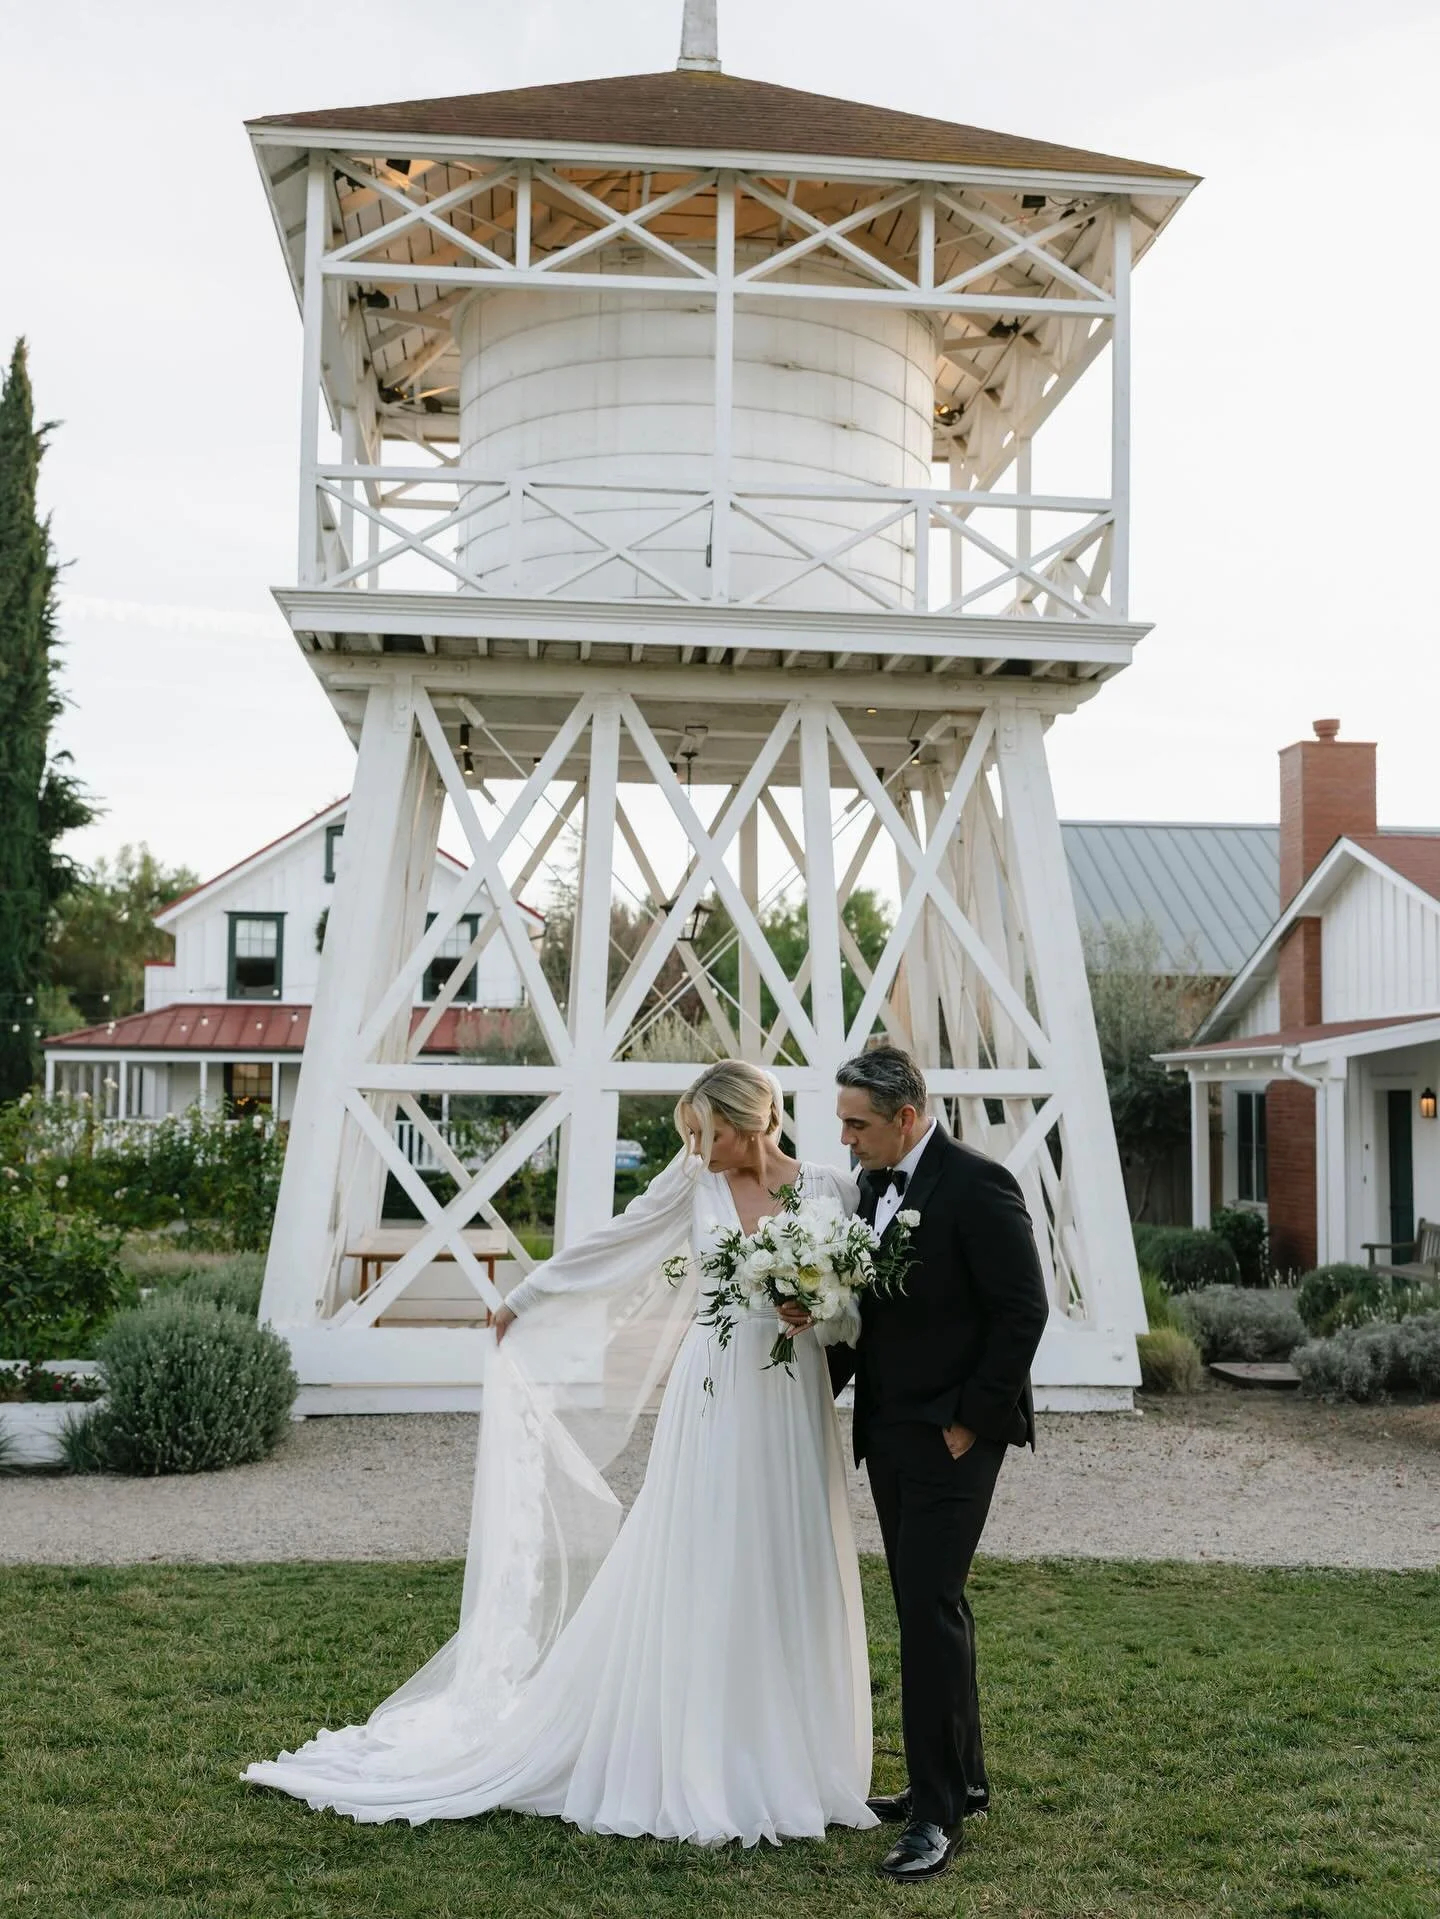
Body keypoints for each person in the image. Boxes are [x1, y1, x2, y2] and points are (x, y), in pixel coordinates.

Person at [245, 1060, 878, 1849]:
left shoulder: (831, 1189)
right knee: (709, 1554)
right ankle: (707, 1749)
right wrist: (524, 1299)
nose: (694, 1148)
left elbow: (860, 1307)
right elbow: (612, 1243)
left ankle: (793, 1750)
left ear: (747, 1127)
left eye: (704, 1134)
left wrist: (819, 1306)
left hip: (793, 1399)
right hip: (716, 1392)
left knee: (789, 1556)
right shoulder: (693, 1186)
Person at [813, 1045, 1049, 1883]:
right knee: (933, 1604)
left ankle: (935, 1814)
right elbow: (871, 1318)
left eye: (858, 1123)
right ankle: (965, 1775)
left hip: (953, 1436)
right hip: (889, 1432)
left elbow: (1023, 1309)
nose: (846, 1140)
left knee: (926, 1606)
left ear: (905, 1117)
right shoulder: (873, 1189)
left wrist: (970, 1421)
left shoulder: (979, 1185)